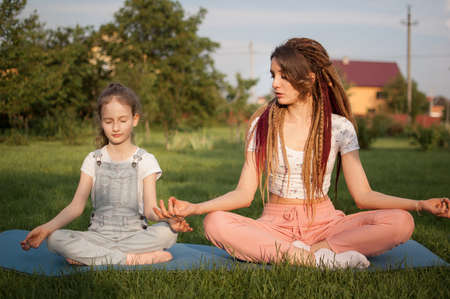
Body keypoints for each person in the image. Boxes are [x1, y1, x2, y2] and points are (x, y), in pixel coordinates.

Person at [155, 38, 450, 269]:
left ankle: (313, 253)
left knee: (402, 222)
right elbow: (244, 194)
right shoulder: (262, 123)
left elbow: (364, 195)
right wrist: (195, 207)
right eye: (273, 75)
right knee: (215, 223)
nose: (274, 84)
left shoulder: (339, 127)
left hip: (327, 224)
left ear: (309, 79)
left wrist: (420, 205)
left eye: (284, 76)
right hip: (274, 225)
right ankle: (318, 259)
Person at [21, 83, 192, 266]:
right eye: (109, 121)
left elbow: (150, 211)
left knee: (167, 233)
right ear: (101, 121)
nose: (116, 128)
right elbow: (76, 207)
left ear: (135, 119)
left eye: (123, 120)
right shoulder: (93, 160)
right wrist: (46, 229)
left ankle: (93, 257)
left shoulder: (146, 160)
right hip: (98, 237)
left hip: (136, 236)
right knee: (55, 239)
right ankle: (130, 259)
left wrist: (169, 219)